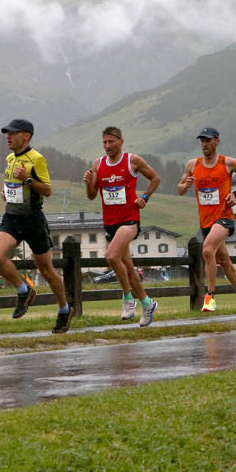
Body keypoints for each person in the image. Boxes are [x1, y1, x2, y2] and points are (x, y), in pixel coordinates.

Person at [0, 118, 72, 333]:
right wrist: (6, 193)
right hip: (12, 217)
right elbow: (12, 185)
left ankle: (64, 310)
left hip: (33, 220)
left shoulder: (37, 159)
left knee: (46, 270)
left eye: (13, 133)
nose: (8, 137)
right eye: (7, 133)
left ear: (26, 136)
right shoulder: (9, 158)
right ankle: (24, 290)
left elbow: (47, 190)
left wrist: (27, 179)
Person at [83, 126, 161, 327]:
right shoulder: (98, 164)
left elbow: (155, 178)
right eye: (104, 143)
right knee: (128, 269)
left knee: (111, 256)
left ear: (121, 142)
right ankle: (147, 303)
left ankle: (127, 297)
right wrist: (88, 183)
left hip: (129, 220)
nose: (107, 146)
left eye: (111, 142)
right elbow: (92, 196)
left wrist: (144, 197)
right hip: (110, 222)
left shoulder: (131, 161)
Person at [177, 126, 236, 314]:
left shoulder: (228, 163)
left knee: (207, 249)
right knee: (224, 260)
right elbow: (179, 189)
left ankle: (210, 297)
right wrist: (184, 185)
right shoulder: (192, 165)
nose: (204, 144)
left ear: (216, 142)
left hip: (224, 217)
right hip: (205, 221)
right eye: (202, 141)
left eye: (208, 140)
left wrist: (235, 194)